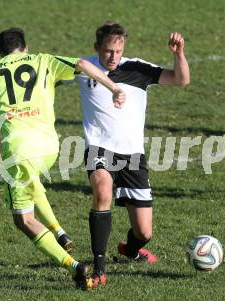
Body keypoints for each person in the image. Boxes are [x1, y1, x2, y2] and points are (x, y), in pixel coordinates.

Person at [0, 27, 125, 289]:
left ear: (1, 52)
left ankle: (73, 265)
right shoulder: (43, 59)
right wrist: (112, 88)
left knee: (24, 220)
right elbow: (82, 64)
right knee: (32, 180)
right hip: (50, 146)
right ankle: (59, 231)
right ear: (25, 47)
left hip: (18, 149)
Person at [69, 22, 189, 286]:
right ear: (96, 48)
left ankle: (131, 250)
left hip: (133, 155)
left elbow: (181, 80)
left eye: (118, 51)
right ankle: (99, 267)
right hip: (99, 147)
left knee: (144, 232)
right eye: (108, 51)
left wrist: (178, 54)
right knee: (102, 190)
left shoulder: (137, 68)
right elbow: (47, 73)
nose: (114, 57)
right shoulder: (83, 67)